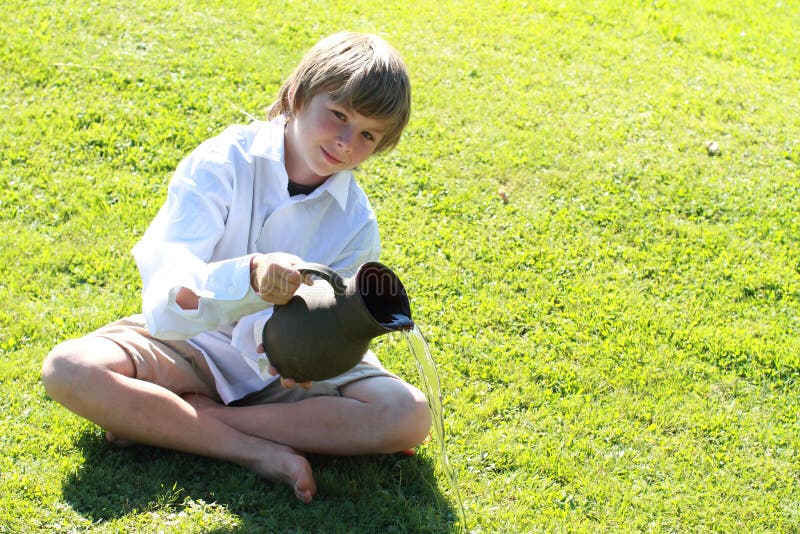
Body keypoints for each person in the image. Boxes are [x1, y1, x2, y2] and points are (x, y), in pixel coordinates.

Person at [41, 32, 431, 504]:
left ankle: (175, 421)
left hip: (278, 373)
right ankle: (250, 450)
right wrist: (249, 277)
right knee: (69, 368)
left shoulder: (355, 222)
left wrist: (309, 356)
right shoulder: (223, 161)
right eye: (340, 115)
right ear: (300, 95)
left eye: (368, 134)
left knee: (408, 414)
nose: (347, 142)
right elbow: (168, 301)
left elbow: (332, 331)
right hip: (191, 346)